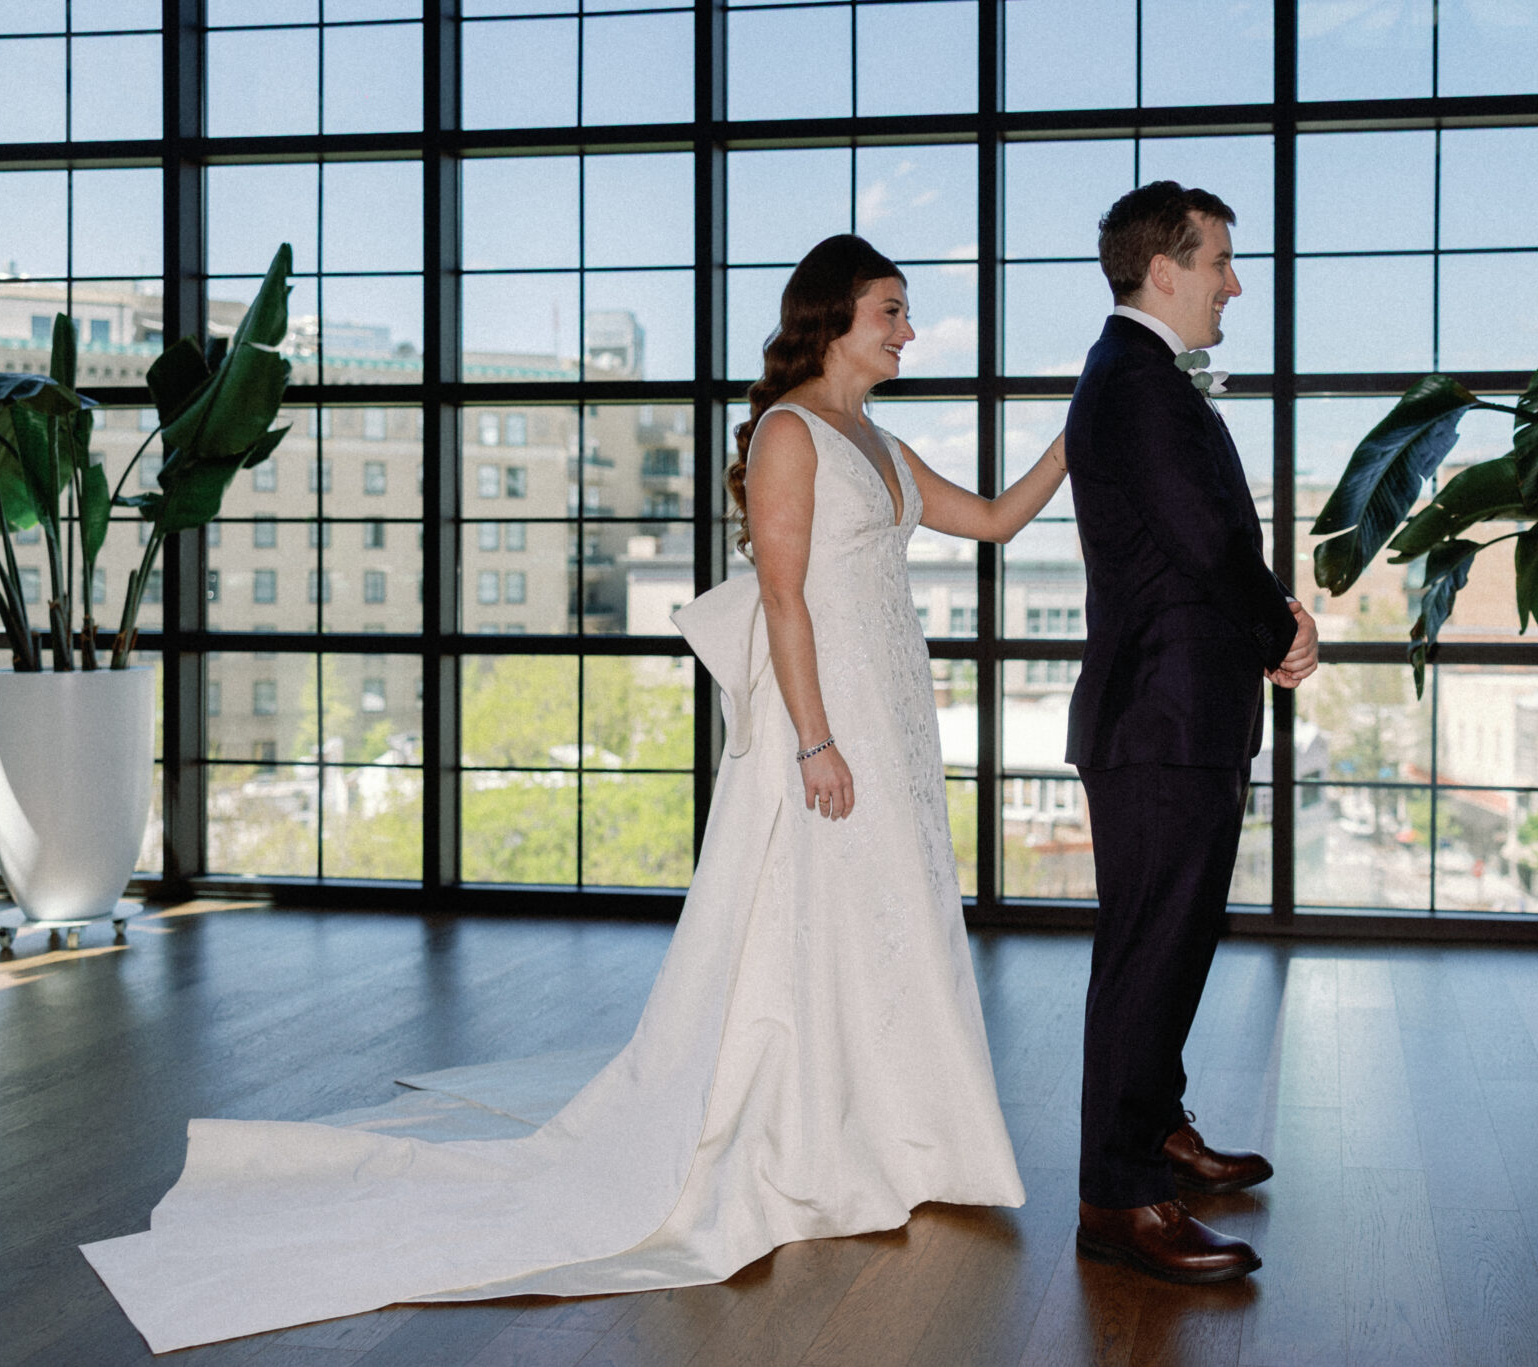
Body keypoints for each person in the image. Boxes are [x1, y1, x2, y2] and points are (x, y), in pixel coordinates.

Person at [81, 233, 1071, 1354]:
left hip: (892, 720)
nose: (906, 327)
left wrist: (1071, 442)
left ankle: (901, 1127)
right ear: (834, 315)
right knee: (807, 921)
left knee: (889, 919)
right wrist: (812, 742)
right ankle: (812, 1132)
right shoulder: (792, 433)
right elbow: (784, 600)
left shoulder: (878, 442)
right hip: (826, 723)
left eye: (904, 311)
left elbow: (990, 520)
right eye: (890, 308)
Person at [1064, 182, 1319, 1284]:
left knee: (1175, 942)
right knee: (1145, 954)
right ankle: (1119, 1198)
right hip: (1161, 717)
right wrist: (1281, 628)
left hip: (1179, 713)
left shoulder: (1133, 378)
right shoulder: (1141, 387)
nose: (1234, 281)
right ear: (1162, 269)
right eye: (1219, 259)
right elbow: (1207, 543)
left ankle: (1157, 1127)